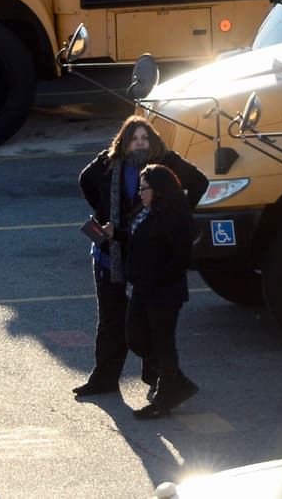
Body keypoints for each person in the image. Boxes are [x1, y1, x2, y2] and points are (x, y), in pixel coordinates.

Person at [74, 115, 207, 398]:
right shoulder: (108, 163)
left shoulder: (165, 164)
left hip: (149, 260)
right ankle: (104, 378)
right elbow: (85, 180)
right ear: (123, 141)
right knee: (111, 320)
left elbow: (199, 182)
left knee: (150, 323)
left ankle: (159, 377)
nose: (139, 144)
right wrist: (103, 212)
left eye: (145, 138)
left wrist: (174, 212)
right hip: (110, 255)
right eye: (134, 138)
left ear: (154, 141)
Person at [124, 164, 199, 419]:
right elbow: (137, 241)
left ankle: (165, 397)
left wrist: (153, 279)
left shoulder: (176, 219)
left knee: (163, 343)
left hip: (164, 292)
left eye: (144, 189)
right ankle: (176, 381)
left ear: (159, 190)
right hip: (142, 288)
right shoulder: (144, 212)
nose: (140, 194)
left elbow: (180, 260)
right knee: (135, 336)